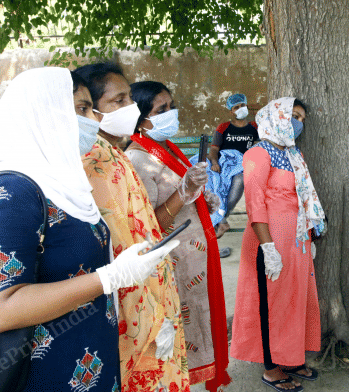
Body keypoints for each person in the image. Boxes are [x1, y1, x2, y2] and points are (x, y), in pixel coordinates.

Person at [0, 67, 178, 391]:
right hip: (45, 373)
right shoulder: (9, 192)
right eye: (81, 109)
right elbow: (1, 310)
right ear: (43, 114)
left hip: (91, 361)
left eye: (92, 108)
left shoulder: (64, 185)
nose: (93, 119)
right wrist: (109, 278)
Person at [75, 63, 191, 391]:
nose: (132, 108)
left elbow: (140, 227)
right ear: (92, 110)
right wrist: (154, 320)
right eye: (120, 100)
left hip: (150, 298)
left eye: (130, 98)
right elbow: (119, 248)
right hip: (139, 310)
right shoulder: (95, 161)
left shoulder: (113, 153)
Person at [126, 80, 231, 391]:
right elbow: (150, 227)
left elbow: (185, 193)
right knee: (179, 338)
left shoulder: (165, 148)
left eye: (171, 106)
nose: (170, 114)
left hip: (194, 260)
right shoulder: (138, 159)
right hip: (174, 266)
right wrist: (184, 193)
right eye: (162, 110)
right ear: (142, 118)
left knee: (201, 324)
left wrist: (200, 197)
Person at [230, 97, 326, 392]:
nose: (298, 122)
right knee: (270, 303)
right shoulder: (258, 153)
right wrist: (268, 249)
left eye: (302, 119)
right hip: (268, 240)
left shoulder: (295, 154)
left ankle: (291, 356)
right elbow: (254, 203)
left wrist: (310, 233)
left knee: (294, 300)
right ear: (278, 116)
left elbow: (303, 196)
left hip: (296, 240)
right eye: (294, 115)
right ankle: (271, 368)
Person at [209, 93, 260, 242]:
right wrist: (214, 163)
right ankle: (217, 220)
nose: (240, 109)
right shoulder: (223, 127)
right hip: (224, 164)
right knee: (211, 182)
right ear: (231, 111)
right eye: (236, 107)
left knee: (239, 179)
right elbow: (214, 150)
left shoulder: (254, 127)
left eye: (242, 105)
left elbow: (258, 148)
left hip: (243, 165)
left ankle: (221, 218)